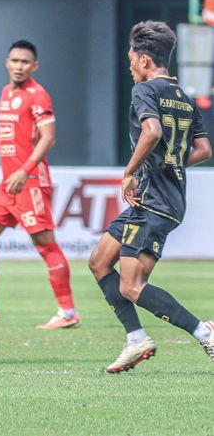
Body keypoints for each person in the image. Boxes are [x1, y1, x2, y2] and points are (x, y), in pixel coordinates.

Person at [88, 21, 213, 373]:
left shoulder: (145, 90)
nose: (130, 67)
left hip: (153, 201)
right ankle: (136, 338)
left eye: (131, 61)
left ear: (143, 60)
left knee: (131, 285)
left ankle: (204, 332)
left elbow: (153, 130)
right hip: (166, 199)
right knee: (99, 262)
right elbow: (203, 149)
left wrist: (130, 172)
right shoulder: (185, 98)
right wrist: (168, 162)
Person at [0, 40, 80, 330]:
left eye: (25, 62)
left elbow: (49, 138)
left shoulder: (38, 95)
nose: (19, 66)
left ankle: (68, 312)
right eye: (15, 61)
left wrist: (25, 170)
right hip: (8, 184)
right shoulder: (5, 93)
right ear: (6, 63)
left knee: (46, 245)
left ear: (34, 67)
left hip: (31, 182)